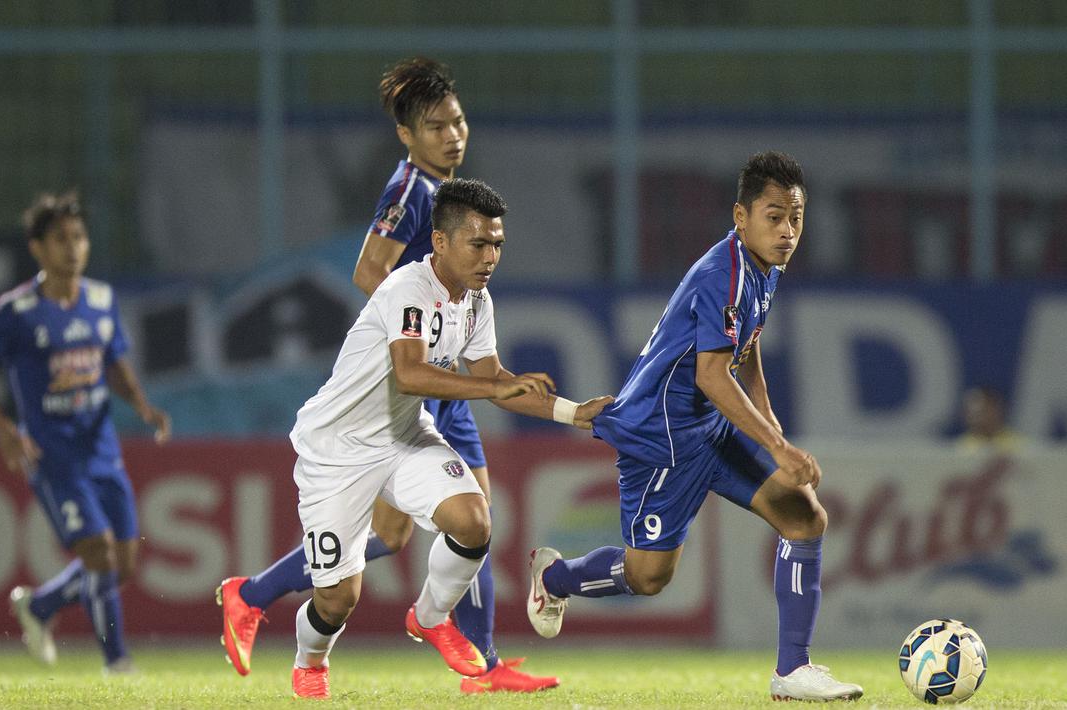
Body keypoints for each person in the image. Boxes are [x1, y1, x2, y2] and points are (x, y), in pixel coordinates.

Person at [217, 57, 559, 694]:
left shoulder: (453, 197)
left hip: (430, 375)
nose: (452, 135)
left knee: (405, 531)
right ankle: (479, 663)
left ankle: (256, 593)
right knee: (464, 512)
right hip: (415, 378)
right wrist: (426, 334)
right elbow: (371, 273)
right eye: (434, 126)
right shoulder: (411, 190)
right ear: (407, 135)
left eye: (457, 120)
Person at [524, 152, 864, 702]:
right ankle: (554, 579)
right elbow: (710, 374)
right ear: (740, 216)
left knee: (803, 517)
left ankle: (792, 670)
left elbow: (742, 351)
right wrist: (775, 445)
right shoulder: (722, 274)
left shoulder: (764, 269)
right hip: (661, 438)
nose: (787, 231)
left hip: (707, 425)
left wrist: (769, 419)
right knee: (649, 578)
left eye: (796, 218)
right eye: (774, 216)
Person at [269, 177, 612, 699]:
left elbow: (499, 383)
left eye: (497, 243)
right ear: (441, 242)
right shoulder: (407, 288)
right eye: (479, 243)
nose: (490, 255)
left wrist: (572, 412)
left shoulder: (477, 301)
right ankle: (309, 661)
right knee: (337, 599)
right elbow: (410, 374)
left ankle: (430, 618)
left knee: (473, 521)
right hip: (337, 450)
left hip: (404, 435)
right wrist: (494, 384)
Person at [0, 191, 171, 674]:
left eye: (78, 237)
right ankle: (117, 664)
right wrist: (4, 430)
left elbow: (112, 360)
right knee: (97, 554)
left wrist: (140, 404)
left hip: (101, 448)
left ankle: (41, 606)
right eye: (60, 240)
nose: (72, 249)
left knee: (125, 562)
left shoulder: (100, 299)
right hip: (52, 454)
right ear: (37, 248)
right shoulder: (18, 310)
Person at [956, 386, 1023, 454]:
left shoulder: (1018, 446)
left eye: (987, 409)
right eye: (977, 412)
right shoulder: (961, 449)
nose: (982, 415)